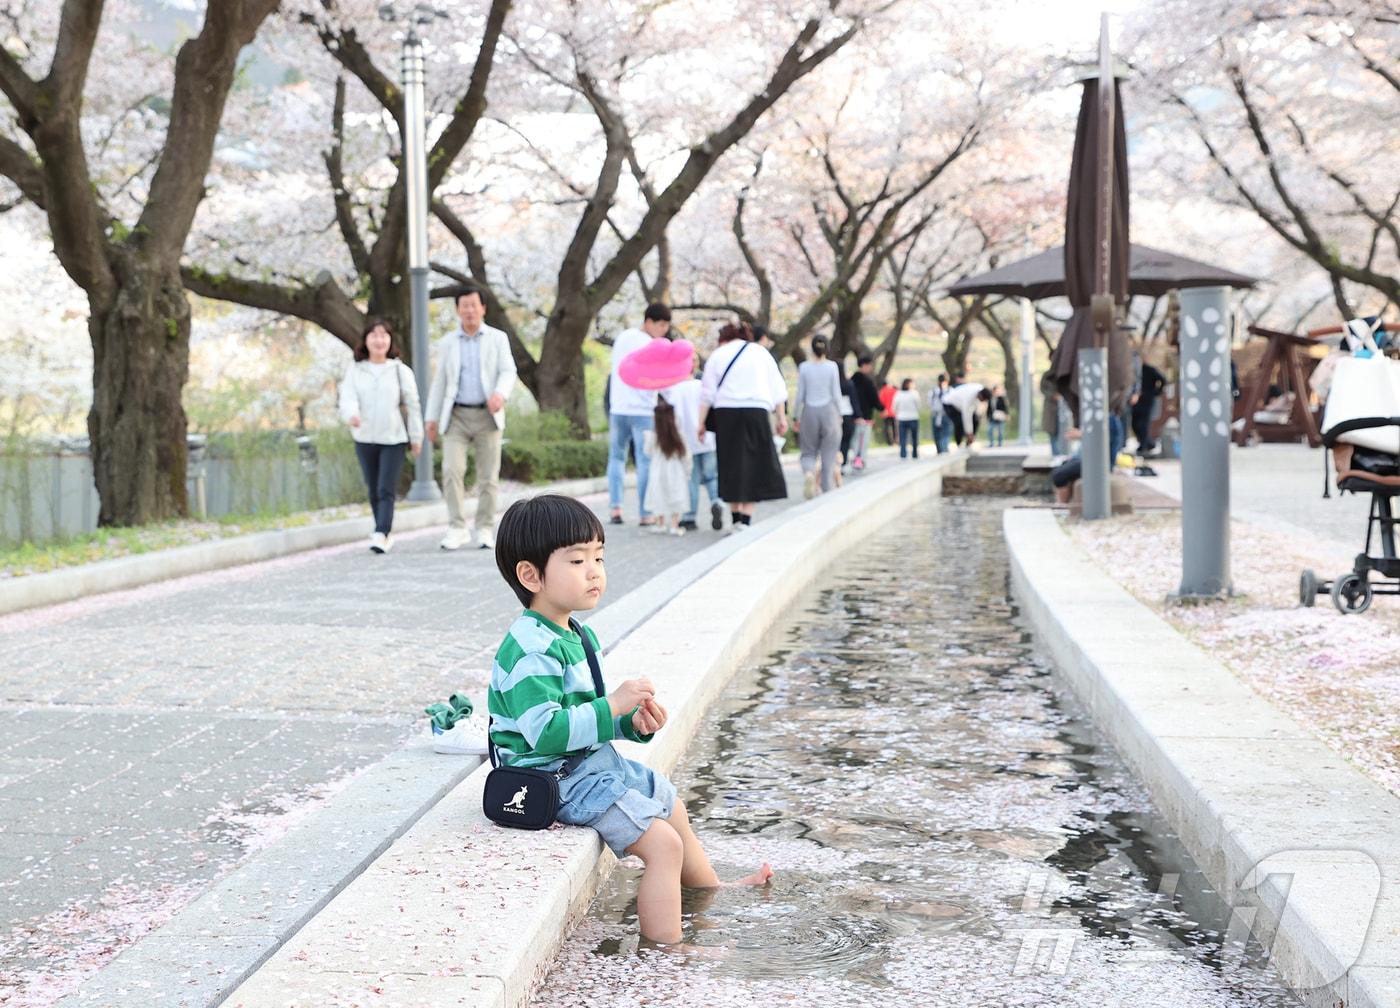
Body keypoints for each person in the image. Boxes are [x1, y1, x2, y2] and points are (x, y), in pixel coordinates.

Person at [489, 494, 772, 944]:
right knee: (663, 845)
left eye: (599, 557)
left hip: (586, 763)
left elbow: (586, 719)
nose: (594, 571)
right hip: (549, 775)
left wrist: (630, 725)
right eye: (577, 560)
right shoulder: (529, 648)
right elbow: (546, 732)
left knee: (669, 800)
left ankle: (708, 891)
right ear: (531, 575)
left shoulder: (575, 633)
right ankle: (666, 950)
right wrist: (614, 706)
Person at [425, 284, 517, 551]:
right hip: (456, 416)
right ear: (457, 310)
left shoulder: (497, 338)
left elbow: (508, 371)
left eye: (473, 305)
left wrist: (500, 394)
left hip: (488, 415)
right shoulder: (447, 343)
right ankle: (456, 527)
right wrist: (431, 419)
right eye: (463, 306)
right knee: (452, 470)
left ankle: (485, 527)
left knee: (488, 476)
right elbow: (440, 382)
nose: (469, 311)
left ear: (483, 308)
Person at [338, 319, 423, 554]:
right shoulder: (356, 370)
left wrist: (416, 437)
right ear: (366, 340)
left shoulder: (399, 370)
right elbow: (347, 398)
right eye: (374, 335)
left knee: (386, 487)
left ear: (390, 340)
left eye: (384, 335)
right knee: (373, 488)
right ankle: (382, 531)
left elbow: (413, 405)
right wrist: (352, 415)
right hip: (364, 437)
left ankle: (381, 531)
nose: (379, 340)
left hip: (393, 438)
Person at [695, 321, 789, 530]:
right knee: (754, 465)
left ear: (724, 338)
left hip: (726, 414)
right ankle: (745, 520)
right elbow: (778, 389)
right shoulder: (761, 353)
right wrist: (781, 418)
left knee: (730, 465)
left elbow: (707, 394)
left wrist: (700, 423)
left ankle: (735, 517)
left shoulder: (718, 355)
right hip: (757, 411)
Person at [607, 303, 671, 526]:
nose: (663, 330)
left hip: (618, 408)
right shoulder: (653, 346)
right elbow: (663, 381)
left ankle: (616, 508)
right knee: (645, 461)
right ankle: (645, 513)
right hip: (643, 411)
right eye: (661, 325)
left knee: (616, 458)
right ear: (649, 322)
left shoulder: (622, 338)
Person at [663, 363, 723, 532]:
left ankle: (689, 517)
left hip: (687, 441)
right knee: (712, 477)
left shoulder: (675, 390)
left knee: (692, 480)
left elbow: (672, 417)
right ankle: (716, 502)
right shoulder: (701, 386)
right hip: (707, 438)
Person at [794, 335, 842, 499]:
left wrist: (795, 416)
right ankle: (826, 489)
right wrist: (840, 414)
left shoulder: (804, 367)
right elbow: (836, 393)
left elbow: (800, 395)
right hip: (829, 412)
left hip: (809, 411)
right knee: (829, 454)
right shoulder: (832, 367)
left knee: (808, 452)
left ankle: (809, 474)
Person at [642, 398, 691, 536]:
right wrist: (687, 472)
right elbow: (687, 456)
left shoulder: (653, 436)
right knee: (676, 495)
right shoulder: (678, 436)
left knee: (659, 495)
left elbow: (647, 451)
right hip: (676, 471)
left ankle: (660, 523)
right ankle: (675, 525)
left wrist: (646, 438)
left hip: (657, 470)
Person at [848, 355, 880, 470]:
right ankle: (859, 459)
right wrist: (881, 408)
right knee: (863, 439)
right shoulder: (867, 381)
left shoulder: (851, 380)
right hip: (865, 415)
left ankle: (855, 459)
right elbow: (874, 398)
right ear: (865, 365)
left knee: (855, 438)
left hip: (852, 415)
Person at [1131, 361, 1167, 454]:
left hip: (1147, 399)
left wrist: (1156, 392)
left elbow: (1162, 379)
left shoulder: (1148, 369)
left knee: (1143, 423)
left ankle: (1144, 445)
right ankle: (1148, 442)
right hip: (1137, 400)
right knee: (1135, 423)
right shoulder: (1133, 370)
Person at [943, 380, 990, 447]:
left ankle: (970, 441)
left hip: (960, 405)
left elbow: (976, 413)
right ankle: (959, 443)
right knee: (959, 423)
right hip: (949, 403)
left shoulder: (980, 389)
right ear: (980, 396)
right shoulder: (969, 397)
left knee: (976, 420)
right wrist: (969, 433)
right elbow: (966, 417)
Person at [835, 358, 855, 480]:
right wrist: (858, 415)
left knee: (834, 442)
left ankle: (834, 464)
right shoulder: (848, 384)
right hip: (847, 414)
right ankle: (842, 464)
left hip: (833, 415)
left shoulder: (830, 384)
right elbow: (854, 401)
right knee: (845, 441)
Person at [892, 378, 921, 458]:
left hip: (902, 418)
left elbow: (894, 407)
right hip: (913, 417)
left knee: (903, 438)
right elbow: (919, 406)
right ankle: (914, 454)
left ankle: (903, 454)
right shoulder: (914, 393)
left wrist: (898, 413)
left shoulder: (898, 394)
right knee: (914, 438)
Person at [928, 373, 952, 454]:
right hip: (938, 414)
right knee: (939, 434)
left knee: (944, 433)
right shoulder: (935, 391)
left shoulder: (949, 390)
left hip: (944, 415)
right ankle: (941, 450)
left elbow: (930, 403)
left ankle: (943, 449)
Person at [877, 379, 897, 445]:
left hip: (886, 412)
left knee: (887, 427)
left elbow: (880, 402)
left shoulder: (882, 391)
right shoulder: (894, 390)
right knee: (895, 427)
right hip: (894, 412)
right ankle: (896, 440)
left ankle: (890, 442)